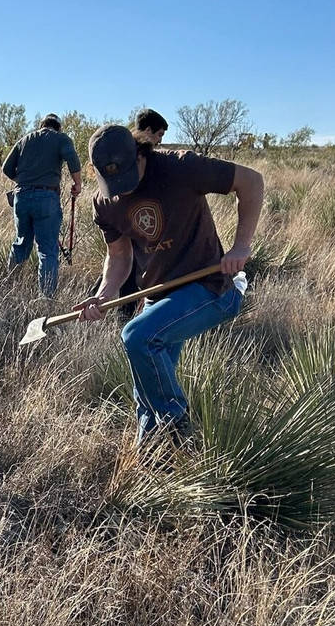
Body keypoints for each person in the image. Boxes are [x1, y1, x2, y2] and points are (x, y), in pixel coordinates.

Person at [76, 123, 263, 448]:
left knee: (137, 337)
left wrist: (241, 246)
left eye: (127, 178)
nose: (122, 190)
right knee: (146, 390)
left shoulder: (180, 167)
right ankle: (153, 465)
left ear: (140, 154)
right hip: (157, 297)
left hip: (210, 287)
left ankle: (177, 428)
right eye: (112, 183)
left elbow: (251, 181)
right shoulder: (104, 204)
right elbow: (119, 257)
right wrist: (103, 295)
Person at [87, 109, 170, 321]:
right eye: (159, 134)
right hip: (132, 236)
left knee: (125, 269)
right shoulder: (124, 154)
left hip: (144, 239)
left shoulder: (155, 163)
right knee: (126, 270)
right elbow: (118, 255)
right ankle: (123, 315)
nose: (159, 141)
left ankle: (117, 310)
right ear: (149, 130)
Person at [2, 113, 83, 299]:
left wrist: (23, 181)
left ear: (41, 125)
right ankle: (47, 299)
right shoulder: (60, 138)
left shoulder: (25, 139)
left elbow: (7, 168)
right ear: (58, 127)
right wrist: (77, 184)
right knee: (47, 250)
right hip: (46, 197)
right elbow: (72, 158)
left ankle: (7, 288)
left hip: (21, 196)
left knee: (21, 243)